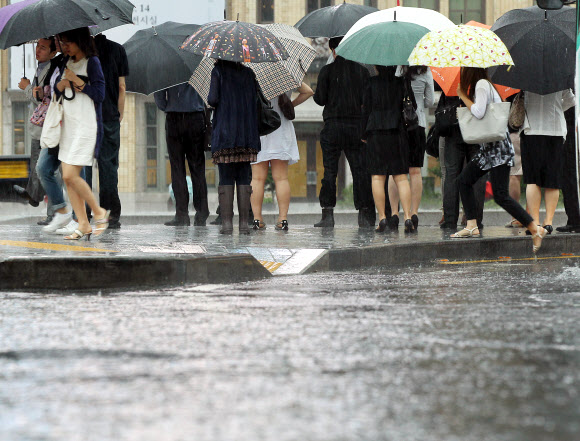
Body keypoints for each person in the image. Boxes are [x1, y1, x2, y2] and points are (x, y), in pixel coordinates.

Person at [452, 67, 547, 253]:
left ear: (470, 71)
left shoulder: (481, 85)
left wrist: (462, 95)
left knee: (500, 194)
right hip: (490, 149)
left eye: (463, 70)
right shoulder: (486, 85)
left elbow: (479, 112)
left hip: (497, 149)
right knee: (464, 181)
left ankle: (535, 228)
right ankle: (471, 224)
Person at [52, 28, 109, 240]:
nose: (64, 46)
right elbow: (59, 91)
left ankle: (99, 211)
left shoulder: (92, 62)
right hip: (69, 125)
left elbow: (101, 94)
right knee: (67, 180)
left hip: (86, 125)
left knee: (70, 175)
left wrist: (77, 81)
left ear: (80, 41)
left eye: (68, 42)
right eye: (62, 41)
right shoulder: (64, 62)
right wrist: (61, 85)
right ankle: (83, 224)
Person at [312, 37, 375, 229]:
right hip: (356, 127)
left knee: (330, 171)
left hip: (332, 127)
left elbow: (320, 99)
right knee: (360, 171)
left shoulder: (327, 71)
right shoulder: (362, 72)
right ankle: (364, 215)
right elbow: (367, 102)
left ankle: (327, 215)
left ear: (332, 49)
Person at [250, 83, 314, 231]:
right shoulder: (285, 74)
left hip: (259, 128)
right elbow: (308, 91)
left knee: (257, 178)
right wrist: (290, 105)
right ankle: (283, 219)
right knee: (281, 178)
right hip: (281, 127)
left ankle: (257, 219)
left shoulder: (254, 73)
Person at [208, 59, 260, 235]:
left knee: (226, 176)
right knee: (244, 176)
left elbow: (212, 99)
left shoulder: (218, 71)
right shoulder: (249, 73)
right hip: (246, 133)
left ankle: (227, 224)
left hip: (225, 133)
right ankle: (244, 224)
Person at [84, 34, 129, 229]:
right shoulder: (118, 49)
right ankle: (110, 215)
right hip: (109, 116)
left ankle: (83, 213)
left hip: (86, 116)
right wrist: (120, 112)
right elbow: (121, 86)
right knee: (109, 167)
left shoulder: (83, 52)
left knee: (83, 166)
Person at [361, 65, 414, 233]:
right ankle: (407, 217)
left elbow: (365, 110)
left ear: (376, 66)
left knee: (377, 177)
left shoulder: (371, 83)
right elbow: (413, 107)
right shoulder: (402, 82)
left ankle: (382, 217)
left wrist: (363, 133)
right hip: (397, 132)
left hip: (376, 132)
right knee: (401, 177)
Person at [14, 37, 58, 220]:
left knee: (46, 170)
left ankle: (44, 204)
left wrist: (26, 88)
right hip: (38, 128)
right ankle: (34, 195)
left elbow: (43, 99)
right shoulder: (41, 68)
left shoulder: (53, 69)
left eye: (43, 48)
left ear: (54, 52)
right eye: (37, 47)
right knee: (38, 167)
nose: (37, 51)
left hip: (46, 129)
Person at [154, 83, 209, 227]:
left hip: (174, 117)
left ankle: (182, 214)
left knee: (177, 168)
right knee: (197, 167)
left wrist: (168, 106)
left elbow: (159, 95)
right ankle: (202, 213)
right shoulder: (198, 62)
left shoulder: (168, 65)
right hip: (196, 117)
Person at [520, 89, 575, 234]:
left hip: (531, 130)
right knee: (553, 179)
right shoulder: (559, 75)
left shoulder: (525, 76)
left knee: (533, 180)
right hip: (555, 129)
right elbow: (571, 100)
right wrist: (556, 108)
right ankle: (548, 222)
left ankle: (535, 222)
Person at [388, 65, 435, 230]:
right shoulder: (425, 71)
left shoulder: (397, 69)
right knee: (415, 171)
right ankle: (414, 213)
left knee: (397, 171)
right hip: (418, 124)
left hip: (398, 126)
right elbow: (430, 101)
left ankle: (394, 213)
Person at [438, 92, 486, 231]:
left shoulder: (451, 82)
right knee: (477, 176)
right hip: (477, 130)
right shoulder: (479, 81)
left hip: (454, 130)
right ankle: (475, 219)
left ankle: (450, 220)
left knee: (452, 175)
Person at [556, 107, 580, 232]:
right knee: (568, 176)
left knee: (569, 175)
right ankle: (573, 219)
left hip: (570, 130)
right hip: (568, 129)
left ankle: (575, 220)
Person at [504, 129, 525, 228]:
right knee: (532, 177)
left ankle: (516, 218)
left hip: (514, 132)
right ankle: (532, 216)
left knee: (514, 175)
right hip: (531, 134)